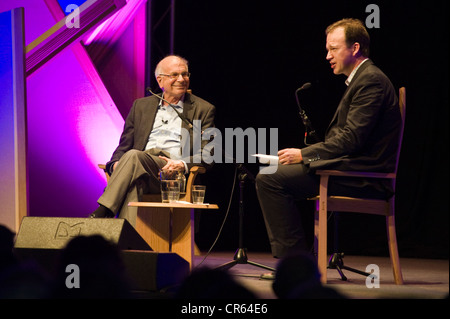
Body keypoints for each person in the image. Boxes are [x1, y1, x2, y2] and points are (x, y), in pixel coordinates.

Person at [256, 19, 401, 261]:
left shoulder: (370, 81)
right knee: (276, 171)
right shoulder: (362, 79)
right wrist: (306, 155)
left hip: (363, 177)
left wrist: (304, 154)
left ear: (354, 48)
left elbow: (351, 139)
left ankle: (295, 265)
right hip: (350, 169)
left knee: (270, 178)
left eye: (333, 49)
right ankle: (299, 261)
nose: (327, 56)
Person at [90, 55, 216, 226]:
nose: (181, 79)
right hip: (141, 167)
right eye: (174, 75)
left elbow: (208, 154)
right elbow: (124, 146)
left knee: (134, 157)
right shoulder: (141, 106)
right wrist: (116, 164)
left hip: (172, 175)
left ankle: (104, 210)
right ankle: (130, 245)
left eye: (185, 74)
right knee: (134, 179)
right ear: (160, 80)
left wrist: (181, 164)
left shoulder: (203, 109)